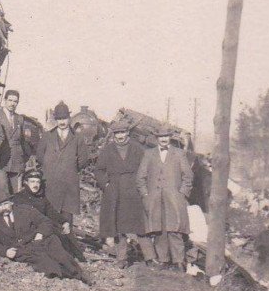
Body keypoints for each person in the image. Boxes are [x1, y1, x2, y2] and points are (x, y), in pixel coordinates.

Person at [0, 195, 93, 285]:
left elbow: (45, 222)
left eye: (6, 204)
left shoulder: (25, 211)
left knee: (62, 257)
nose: (4, 208)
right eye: (0, 206)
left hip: (41, 241)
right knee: (48, 265)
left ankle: (80, 276)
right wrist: (5, 251)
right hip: (23, 250)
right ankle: (66, 281)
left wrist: (40, 234)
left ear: (11, 203)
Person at [95, 118, 156, 267]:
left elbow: (147, 170)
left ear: (128, 133)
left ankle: (150, 258)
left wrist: (143, 188)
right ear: (114, 134)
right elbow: (99, 170)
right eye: (117, 133)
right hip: (115, 192)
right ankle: (121, 259)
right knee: (119, 228)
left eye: (122, 132)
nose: (120, 136)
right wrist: (106, 185)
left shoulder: (137, 148)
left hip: (134, 192)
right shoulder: (108, 150)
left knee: (141, 226)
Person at [135, 126, 194, 271]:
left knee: (175, 229)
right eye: (161, 137)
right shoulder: (149, 154)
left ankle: (179, 261)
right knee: (159, 229)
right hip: (154, 198)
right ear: (156, 138)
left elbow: (188, 176)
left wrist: (182, 194)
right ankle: (163, 260)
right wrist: (145, 195)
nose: (163, 139)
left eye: (166, 136)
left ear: (170, 137)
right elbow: (140, 177)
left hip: (174, 198)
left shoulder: (179, 154)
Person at [12, 168, 86, 261]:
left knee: (65, 231)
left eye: (38, 182)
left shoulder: (41, 198)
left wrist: (64, 222)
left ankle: (76, 256)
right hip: (29, 232)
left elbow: (51, 212)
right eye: (32, 182)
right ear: (26, 182)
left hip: (43, 227)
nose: (35, 185)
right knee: (54, 237)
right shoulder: (19, 198)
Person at [35, 101, 90, 226]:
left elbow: (83, 160)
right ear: (55, 119)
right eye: (59, 119)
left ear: (69, 118)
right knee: (50, 215)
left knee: (66, 219)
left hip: (69, 184)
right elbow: (40, 156)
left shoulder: (77, 138)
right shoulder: (47, 136)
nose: (62, 122)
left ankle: (66, 243)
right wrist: (51, 167)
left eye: (64, 118)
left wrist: (69, 168)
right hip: (50, 182)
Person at [0, 89, 29, 199]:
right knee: (2, 194)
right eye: (10, 100)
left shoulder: (20, 119)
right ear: (4, 100)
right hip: (1, 162)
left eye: (15, 101)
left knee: (17, 195)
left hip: (16, 162)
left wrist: (23, 160)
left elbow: (23, 142)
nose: (12, 104)